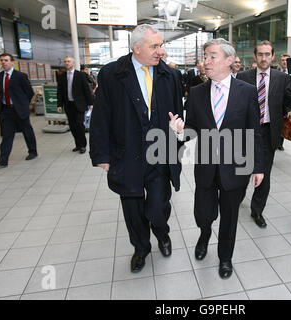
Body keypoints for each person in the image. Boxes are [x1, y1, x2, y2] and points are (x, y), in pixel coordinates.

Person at [90, 24, 183, 273]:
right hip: (126, 156)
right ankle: (141, 248)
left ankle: (162, 234)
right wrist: (101, 154)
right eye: (155, 46)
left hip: (159, 154)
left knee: (157, 207)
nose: (161, 51)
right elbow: (101, 116)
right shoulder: (111, 74)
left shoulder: (170, 76)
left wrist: (178, 129)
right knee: (132, 209)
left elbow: (177, 114)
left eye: (162, 45)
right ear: (137, 47)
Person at [169, 38, 264, 279]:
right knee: (203, 212)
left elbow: (254, 131)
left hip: (236, 167)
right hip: (206, 166)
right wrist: (180, 131)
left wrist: (258, 166)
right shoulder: (198, 93)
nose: (205, 62)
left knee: (230, 217)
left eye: (212, 56)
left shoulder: (247, 92)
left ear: (229, 60)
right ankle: (204, 233)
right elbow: (191, 129)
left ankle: (225, 258)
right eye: (205, 57)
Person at [237, 41, 291, 228]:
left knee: (265, 173)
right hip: (246, 131)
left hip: (268, 131)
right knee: (243, 170)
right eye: (260, 54)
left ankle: (257, 210)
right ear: (255, 56)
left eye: (267, 54)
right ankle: (236, 197)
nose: (264, 58)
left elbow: (290, 100)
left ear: (272, 56)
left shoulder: (281, 78)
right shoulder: (243, 76)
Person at [0, 53, 37, 167]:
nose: (4, 62)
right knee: (7, 135)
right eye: (2, 60)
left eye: (6, 60)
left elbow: (29, 92)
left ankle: (32, 151)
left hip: (19, 109)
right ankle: (3, 159)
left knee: (27, 131)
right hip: (6, 110)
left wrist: (23, 105)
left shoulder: (20, 76)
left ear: (12, 62)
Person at [57, 57, 93, 154]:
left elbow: (86, 90)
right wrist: (59, 104)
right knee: (72, 126)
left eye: (68, 61)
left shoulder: (80, 75)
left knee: (79, 125)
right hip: (68, 104)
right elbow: (59, 91)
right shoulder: (62, 76)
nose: (66, 63)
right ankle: (77, 144)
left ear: (73, 63)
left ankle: (83, 145)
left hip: (79, 104)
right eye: (65, 61)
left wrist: (90, 103)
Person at [276, 53, 291, 151]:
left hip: (286, 104)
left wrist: (289, 109)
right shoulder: (275, 72)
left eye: (286, 60)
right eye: (283, 60)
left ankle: (280, 143)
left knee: (284, 123)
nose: (284, 62)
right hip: (276, 103)